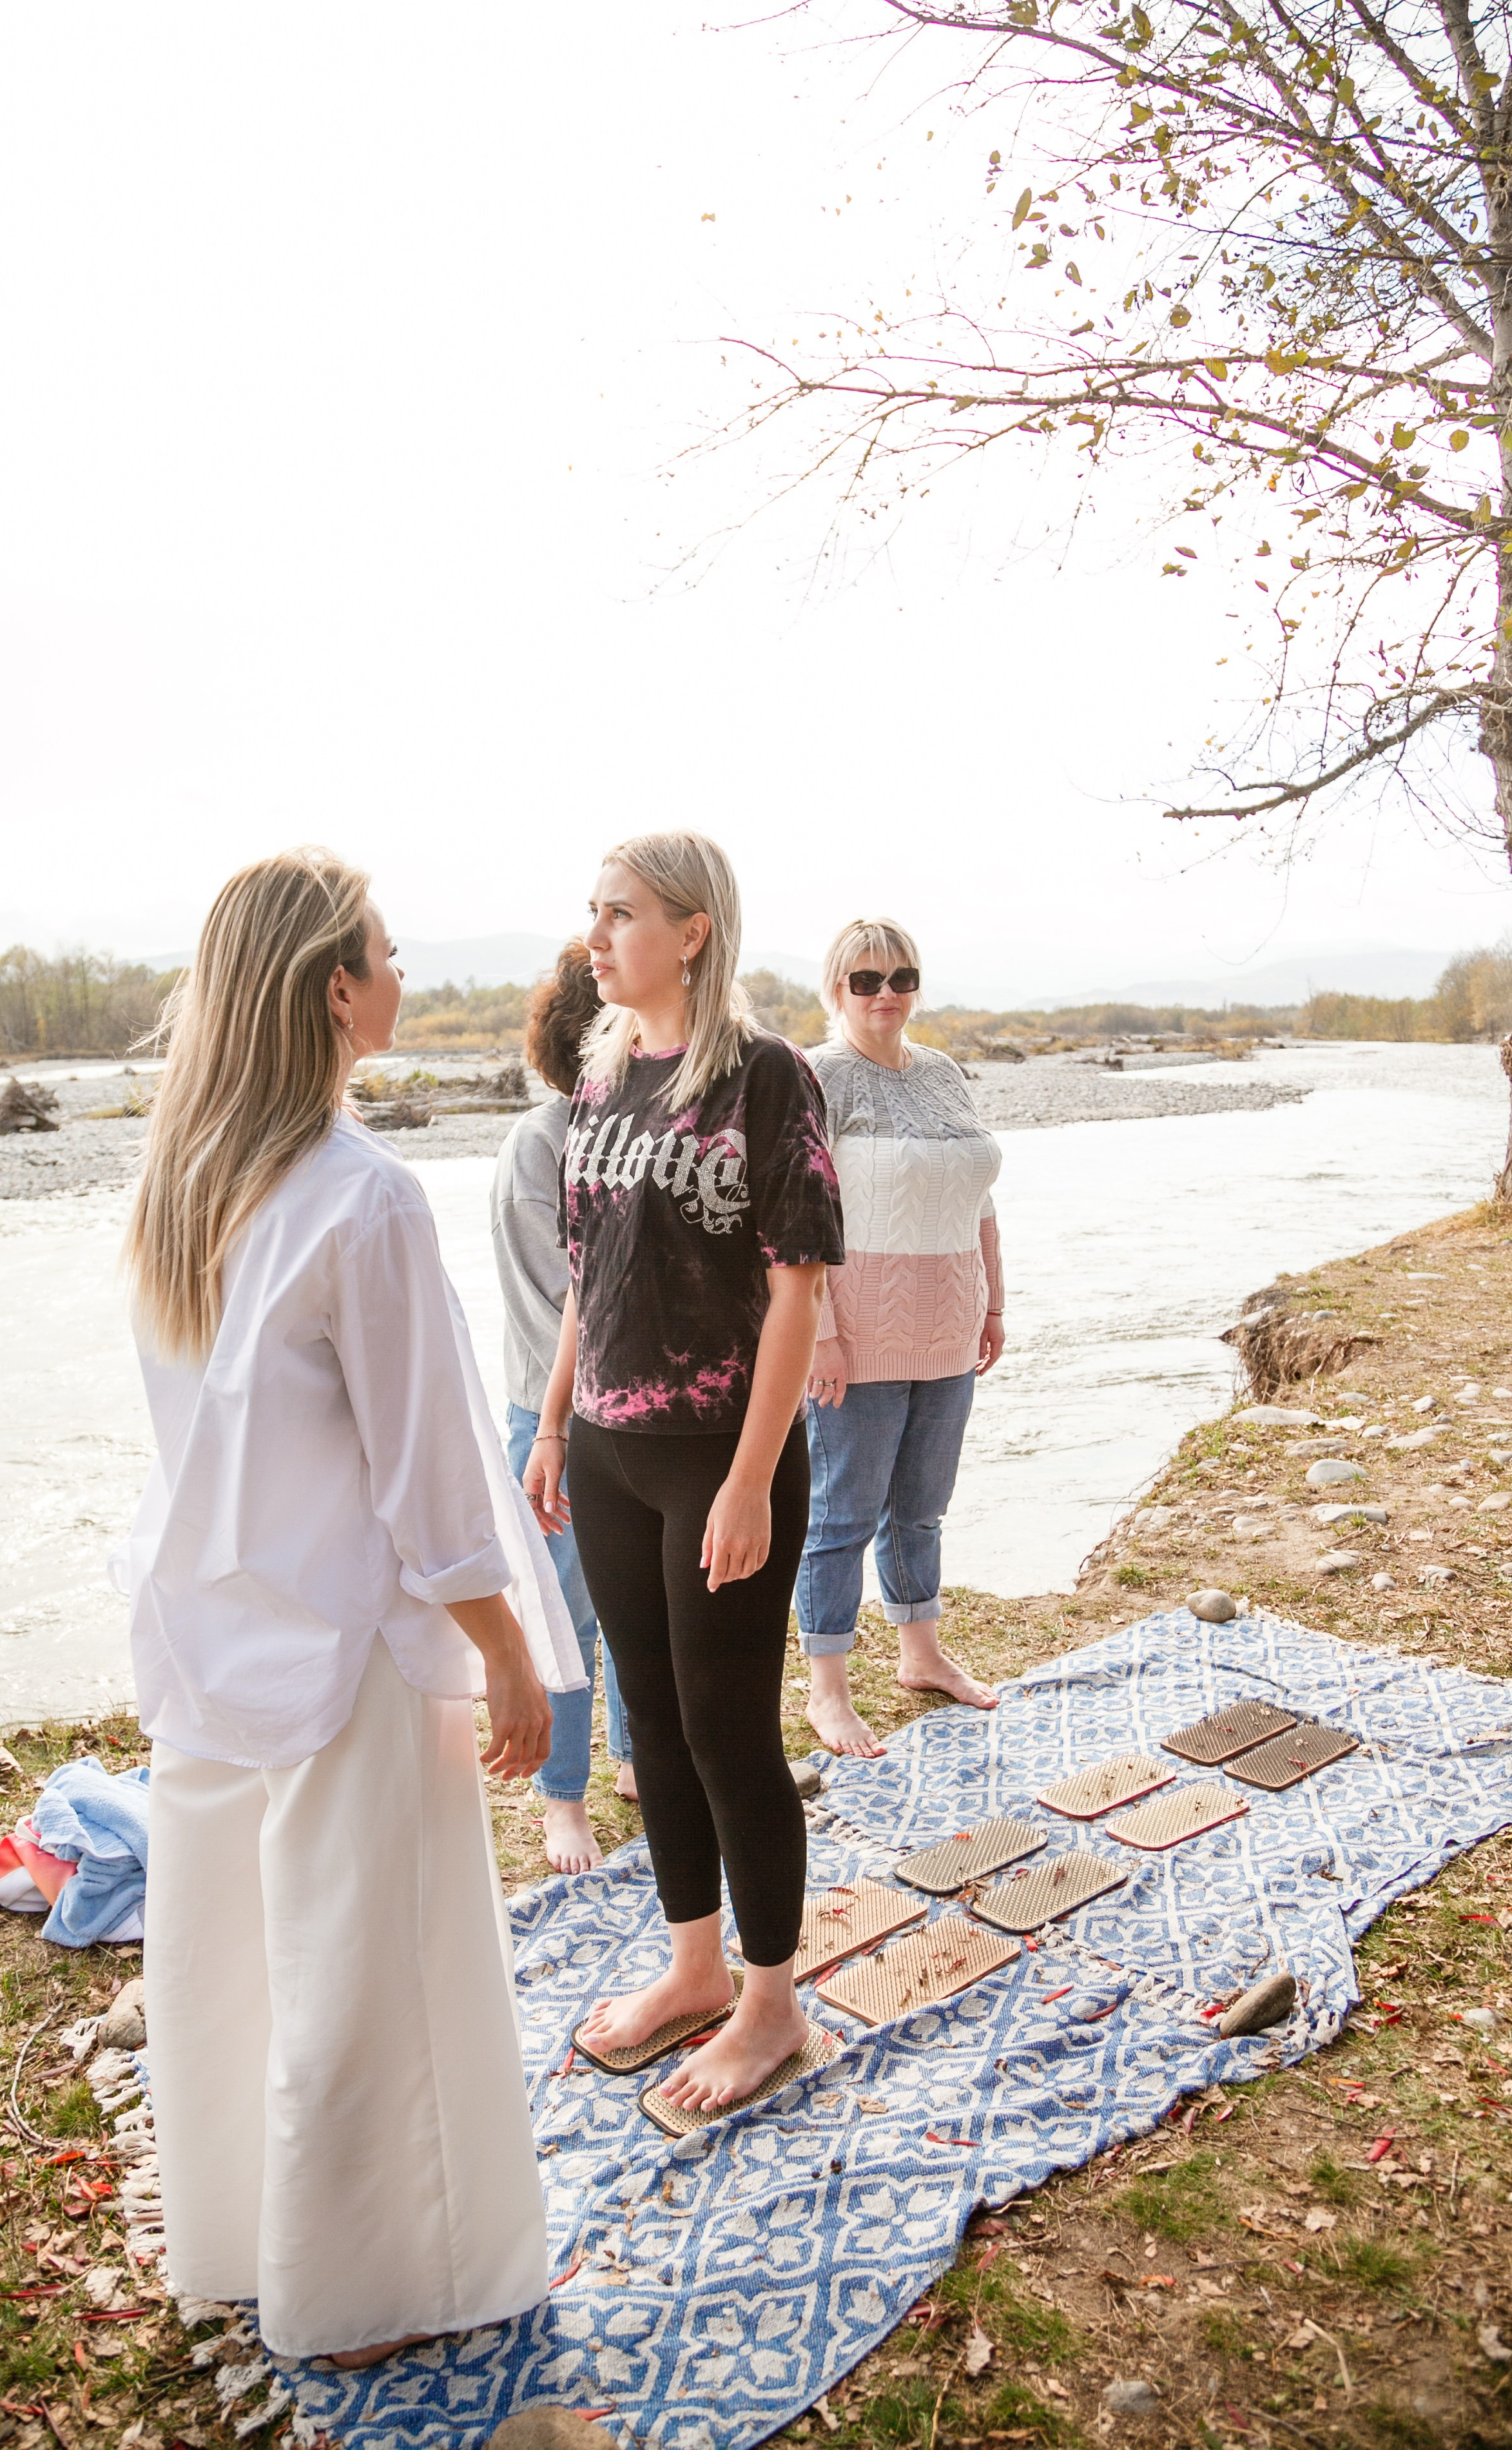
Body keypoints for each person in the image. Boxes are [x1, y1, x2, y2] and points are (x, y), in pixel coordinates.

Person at [120, 848, 582, 2369]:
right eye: (384, 951)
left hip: (208, 1622)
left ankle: (244, 2245)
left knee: (227, 1958)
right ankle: (371, 2290)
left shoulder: (181, 1177)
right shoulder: (359, 1199)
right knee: (368, 1969)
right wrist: (508, 1656)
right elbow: (429, 1476)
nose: (402, 973)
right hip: (346, 1643)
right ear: (333, 989)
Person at [523, 831, 844, 2116]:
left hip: (721, 1456)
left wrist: (752, 1479)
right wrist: (551, 1431)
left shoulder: (764, 1079)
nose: (597, 939)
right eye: (594, 914)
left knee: (726, 1735)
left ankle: (772, 2006)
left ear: (694, 929)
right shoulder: (602, 1079)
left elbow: (796, 1294)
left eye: (622, 915)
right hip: (606, 1452)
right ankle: (695, 1970)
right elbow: (581, 1285)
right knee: (650, 1732)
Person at [799, 917, 1006, 1760]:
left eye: (901, 976)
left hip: (951, 1326)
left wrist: (993, 1305)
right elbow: (794, 1216)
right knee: (840, 1517)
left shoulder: (946, 1073)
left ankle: (920, 1656)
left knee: (921, 1510)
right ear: (835, 988)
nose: (886, 993)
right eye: (865, 980)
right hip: (858, 1337)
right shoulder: (817, 1076)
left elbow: (980, 1197)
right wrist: (819, 1334)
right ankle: (828, 1692)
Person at [492, 940, 635, 1874]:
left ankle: (638, 1758)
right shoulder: (540, 1144)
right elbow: (566, 1302)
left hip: (643, 1410)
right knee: (567, 1612)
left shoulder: (649, 1123)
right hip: (558, 1419)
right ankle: (564, 1800)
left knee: (643, 1605)